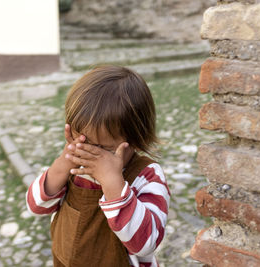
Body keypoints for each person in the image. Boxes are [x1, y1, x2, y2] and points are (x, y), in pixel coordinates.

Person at [26, 65, 170, 267]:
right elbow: (35, 206)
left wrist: (113, 183)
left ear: (136, 139)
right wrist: (63, 163)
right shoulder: (74, 164)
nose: (90, 154)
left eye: (103, 148)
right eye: (83, 141)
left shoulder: (146, 176)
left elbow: (146, 243)